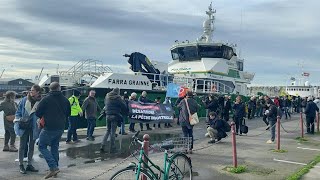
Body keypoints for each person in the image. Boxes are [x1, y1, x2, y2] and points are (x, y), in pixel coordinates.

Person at [36, 82, 70, 179]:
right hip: (60, 127)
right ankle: (55, 169)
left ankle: (53, 167)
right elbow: (68, 113)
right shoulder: (65, 100)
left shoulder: (46, 99)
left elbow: (38, 113)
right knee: (54, 146)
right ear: (59, 88)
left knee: (42, 146)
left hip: (49, 127)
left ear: (50, 89)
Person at [14, 85, 42, 174]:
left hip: (34, 126)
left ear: (38, 92)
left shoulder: (41, 101)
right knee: (22, 146)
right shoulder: (24, 100)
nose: (31, 91)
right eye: (31, 90)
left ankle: (29, 164)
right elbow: (18, 112)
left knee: (32, 146)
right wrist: (18, 120)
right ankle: (21, 164)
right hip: (24, 125)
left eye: (33, 90)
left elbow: (42, 114)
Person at [100, 88, 128, 153]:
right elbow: (123, 106)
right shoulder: (118, 97)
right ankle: (112, 148)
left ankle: (102, 145)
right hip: (115, 115)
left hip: (107, 115)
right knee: (113, 132)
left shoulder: (107, 96)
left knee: (107, 131)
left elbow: (105, 103)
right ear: (118, 92)